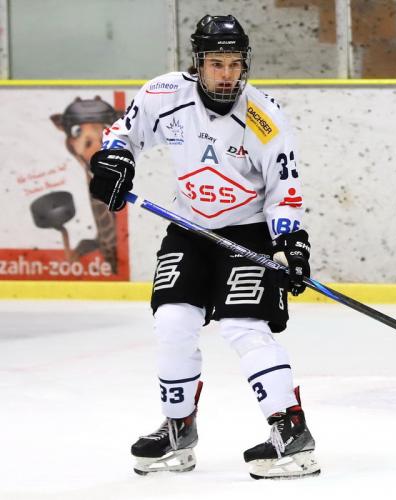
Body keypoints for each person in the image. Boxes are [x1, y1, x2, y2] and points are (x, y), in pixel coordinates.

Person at [89, 14, 320, 480]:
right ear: (197, 63)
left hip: (249, 233)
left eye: (235, 64)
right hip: (189, 227)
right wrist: (114, 160)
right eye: (217, 63)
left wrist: (291, 243)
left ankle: (291, 432)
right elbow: (122, 135)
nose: (227, 74)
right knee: (173, 321)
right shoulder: (164, 94)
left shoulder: (264, 117)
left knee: (242, 326)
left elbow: (284, 190)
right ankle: (178, 429)